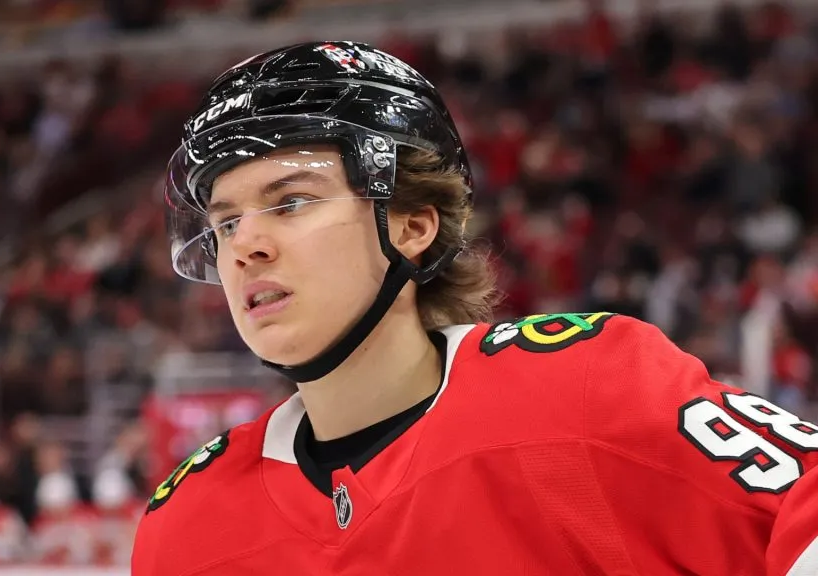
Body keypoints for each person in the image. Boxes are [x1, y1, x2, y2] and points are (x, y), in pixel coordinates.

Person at [130, 41, 818, 575]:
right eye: (225, 222)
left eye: (290, 202)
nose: (244, 246)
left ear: (412, 225)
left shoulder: (587, 391)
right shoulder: (188, 526)